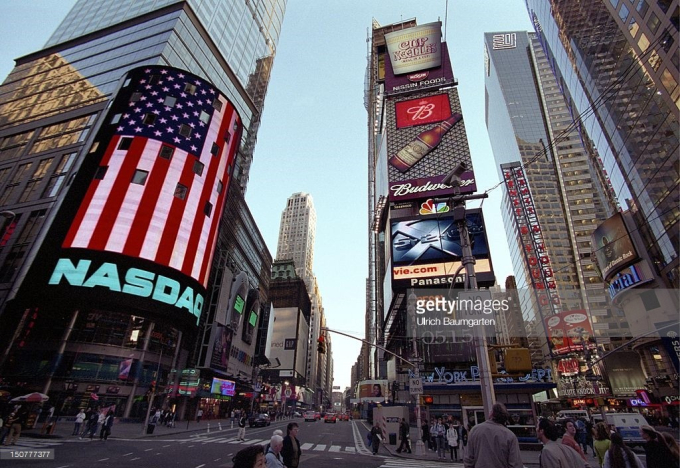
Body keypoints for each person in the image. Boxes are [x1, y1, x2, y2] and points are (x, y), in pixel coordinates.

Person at [463, 403, 523, 468]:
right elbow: (516, 464)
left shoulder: (475, 430)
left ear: (491, 414)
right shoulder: (510, 436)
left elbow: (468, 459)